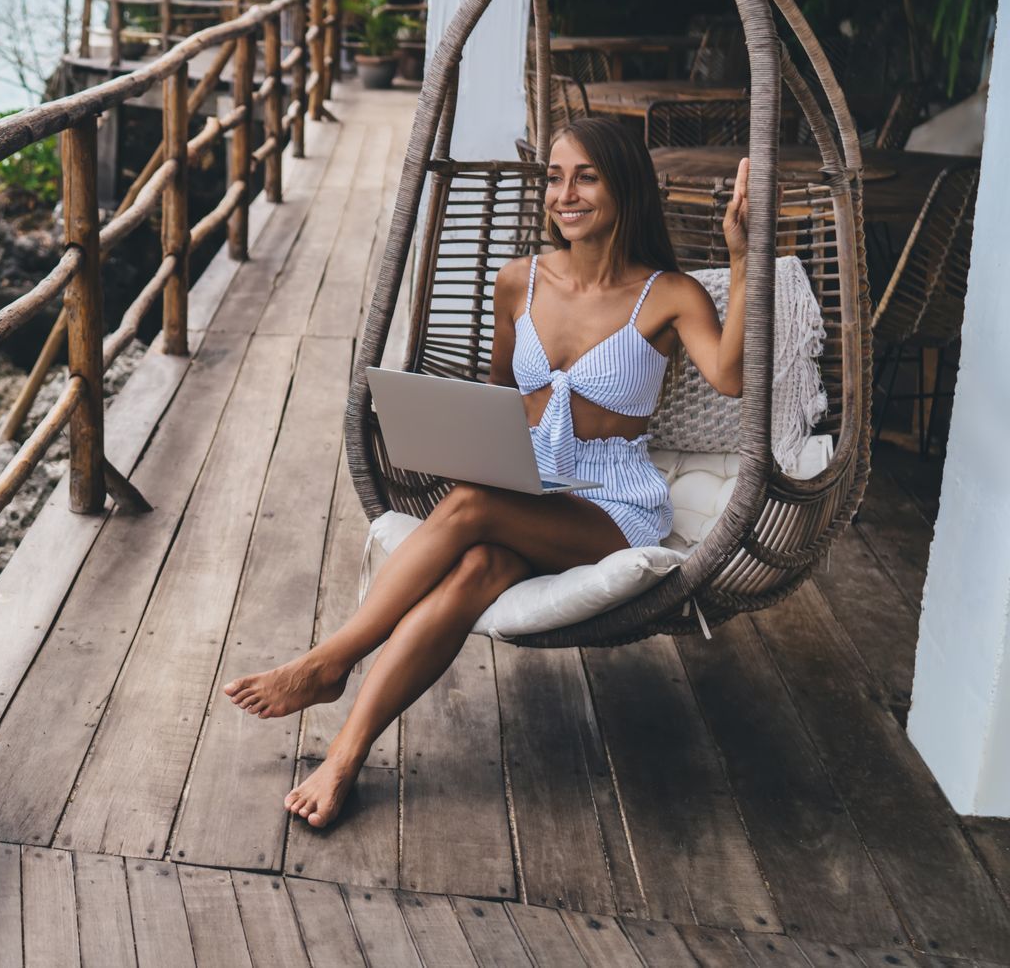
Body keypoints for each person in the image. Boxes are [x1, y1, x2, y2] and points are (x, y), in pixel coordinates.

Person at [223, 116, 751, 828]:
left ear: (625, 186)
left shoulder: (669, 293)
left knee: (472, 508)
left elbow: (730, 376)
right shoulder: (517, 281)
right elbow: (500, 400)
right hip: (526, 484)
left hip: (611, 503)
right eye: (556, 177)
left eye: (586, 176)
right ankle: (345, 756)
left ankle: (331, 660)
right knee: (478, 568)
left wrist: (742, 259)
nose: (565, 194)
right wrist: (455, 436)